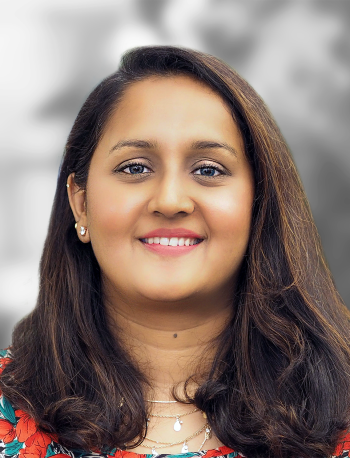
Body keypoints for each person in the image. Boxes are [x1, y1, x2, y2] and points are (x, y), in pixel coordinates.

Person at [0, 45, 350, 458]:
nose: (169, 200)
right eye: (135, 168)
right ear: (80, 203)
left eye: (208, 170)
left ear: (259, 203)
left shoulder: (339, 413)